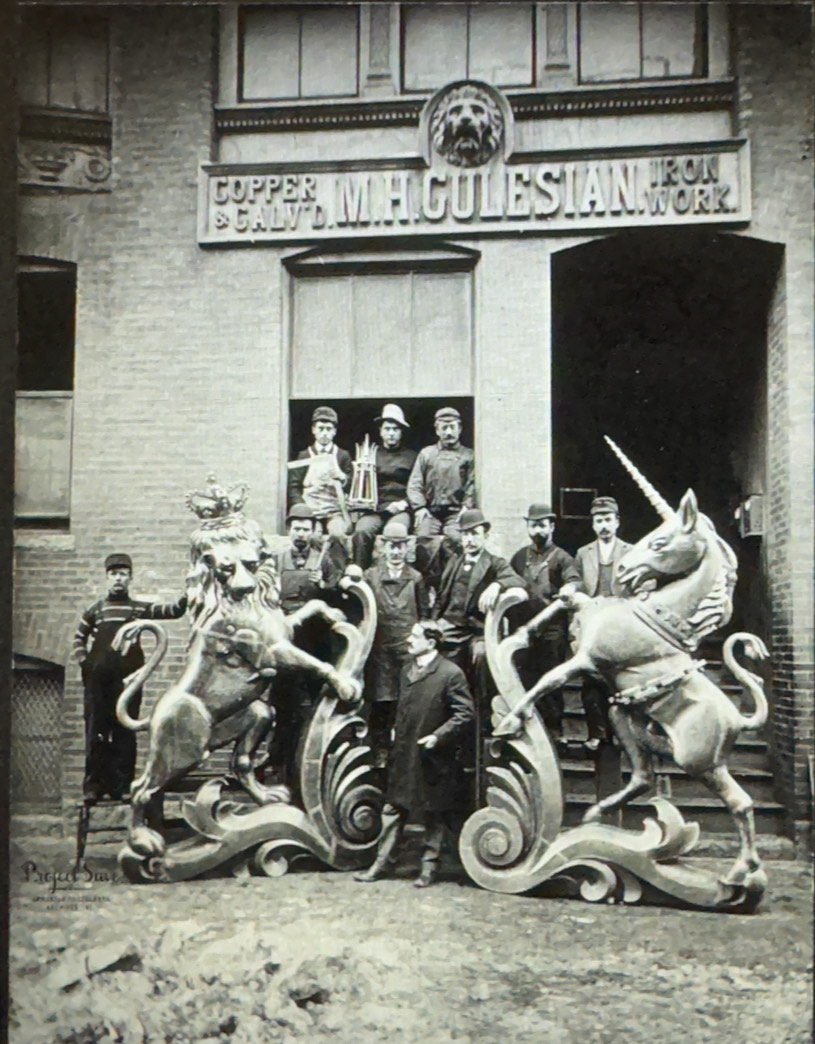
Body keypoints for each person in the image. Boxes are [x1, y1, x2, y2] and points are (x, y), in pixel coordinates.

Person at [354, 620, 475, 888]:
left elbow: (465, 713)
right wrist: (395, 730)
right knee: (393, 808)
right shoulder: (407, 670)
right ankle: (381, 864)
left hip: (433, 757)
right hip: (404, 753)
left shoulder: (450, 673)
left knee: (433, 812)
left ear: (431, 643)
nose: (409, 640)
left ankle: (428, 868)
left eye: (415, 636)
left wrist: (438, 736)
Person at [72, 553, 188, 804]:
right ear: (107, 578)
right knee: (96, 730)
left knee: (125, 730)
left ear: (130, 578)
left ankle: (122, 786)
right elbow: (79, 638)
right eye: (113, 574)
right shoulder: (95, 610)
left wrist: (189, 594)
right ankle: (94, 787)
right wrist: (85, 663)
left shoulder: (138, 609)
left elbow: (173, 611)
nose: (118, 579)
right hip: (98, 680)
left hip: (128, 679)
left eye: (123, 574)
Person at [269, 504, 345, 790]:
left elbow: (338, 601)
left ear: (314, 531)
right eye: (297, 528)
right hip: (285, 641)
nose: (301, 533)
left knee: (312, 707)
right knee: (283, 707)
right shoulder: (276, 561)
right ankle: (280, 773)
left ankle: (309, 775)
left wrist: (324, 586)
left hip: (314, 643)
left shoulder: (324, 560)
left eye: (306, 529)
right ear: (290, 530)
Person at [433, 509, 525, 728]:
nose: (469, 540)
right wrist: (434, 622)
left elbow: (518, 580)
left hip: (478, 631)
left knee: (482, 657)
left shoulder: (494, 563)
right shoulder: (454, 562)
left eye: (475, 534)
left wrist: (497, 584)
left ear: (485, 536)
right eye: (465, 534)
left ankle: (482, 720)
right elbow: (442, 598)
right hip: (450, 626)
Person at [509, 504, 581, 752]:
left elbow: (574, 579)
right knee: (525, 680)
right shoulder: (519, 557)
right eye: (533, 525)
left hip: (552, 631)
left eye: (542, 525)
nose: (537, 530)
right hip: (524, 631)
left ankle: (554, 731)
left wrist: (571, 587)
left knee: (551, 682)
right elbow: (508, 580)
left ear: (551, 527)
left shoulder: (562, 557)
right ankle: (529, 730)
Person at [362, 520, 431, 768]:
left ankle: (404, 754)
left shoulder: (416, 578)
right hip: (380, 650)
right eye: (391, 546)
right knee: (381, 703)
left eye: (400, 546)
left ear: (407, 548)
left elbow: (424, 615)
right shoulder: (371, 576)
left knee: (406, 702)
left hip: (406, 650)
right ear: (383, 547)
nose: (396, 551)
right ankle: (380, 753)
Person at [572, 496, 632, 752]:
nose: (604, 525)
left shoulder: (631, 551)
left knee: (619, 680)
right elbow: (576, 582)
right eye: (599, 521)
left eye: (608, 519)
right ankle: (596, 733)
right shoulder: (583, 553)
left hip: (619, 624)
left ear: (617, 522)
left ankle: (622, 735)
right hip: (592, 625)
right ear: (593, 524)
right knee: (591, 679)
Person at [407, 406, 476, 577]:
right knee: (423, 538)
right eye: (444, 428)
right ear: (437, 430)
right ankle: (428, 582)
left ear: (460, 429)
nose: (448, 432)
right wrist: (419, 507)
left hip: (456, 512)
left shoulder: (469, 455)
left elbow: (473, 484)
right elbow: (414, 484)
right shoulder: (426, 454)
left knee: (456, 539)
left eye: (452, 427)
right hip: (431, 511)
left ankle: (454, 581)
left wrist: (467, 507)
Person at [351, 403, 417, 569]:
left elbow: (419, 487)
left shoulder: (412, 457)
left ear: (401, 432)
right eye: (387, 429)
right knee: (361, 531)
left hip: (400, 509)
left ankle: (393, 578)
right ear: (381, 431)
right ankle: (360, 574)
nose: (391, 433)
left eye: (395, 429)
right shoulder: (371, 455)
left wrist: (404, 503)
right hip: (376, 509)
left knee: (394, 531)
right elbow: (360, 484)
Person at [287, 406, 353, 540]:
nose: (324, 433)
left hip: (334, 511)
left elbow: (353, 487)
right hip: (311, 511)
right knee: (311, 537)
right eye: (321, 428)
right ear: (313, 430)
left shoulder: (342, 455)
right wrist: (302, 510)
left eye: (328, 429)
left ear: (334, 431)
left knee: (338, 534)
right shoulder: (304, 455)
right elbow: (294, 487)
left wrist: (342, 477)